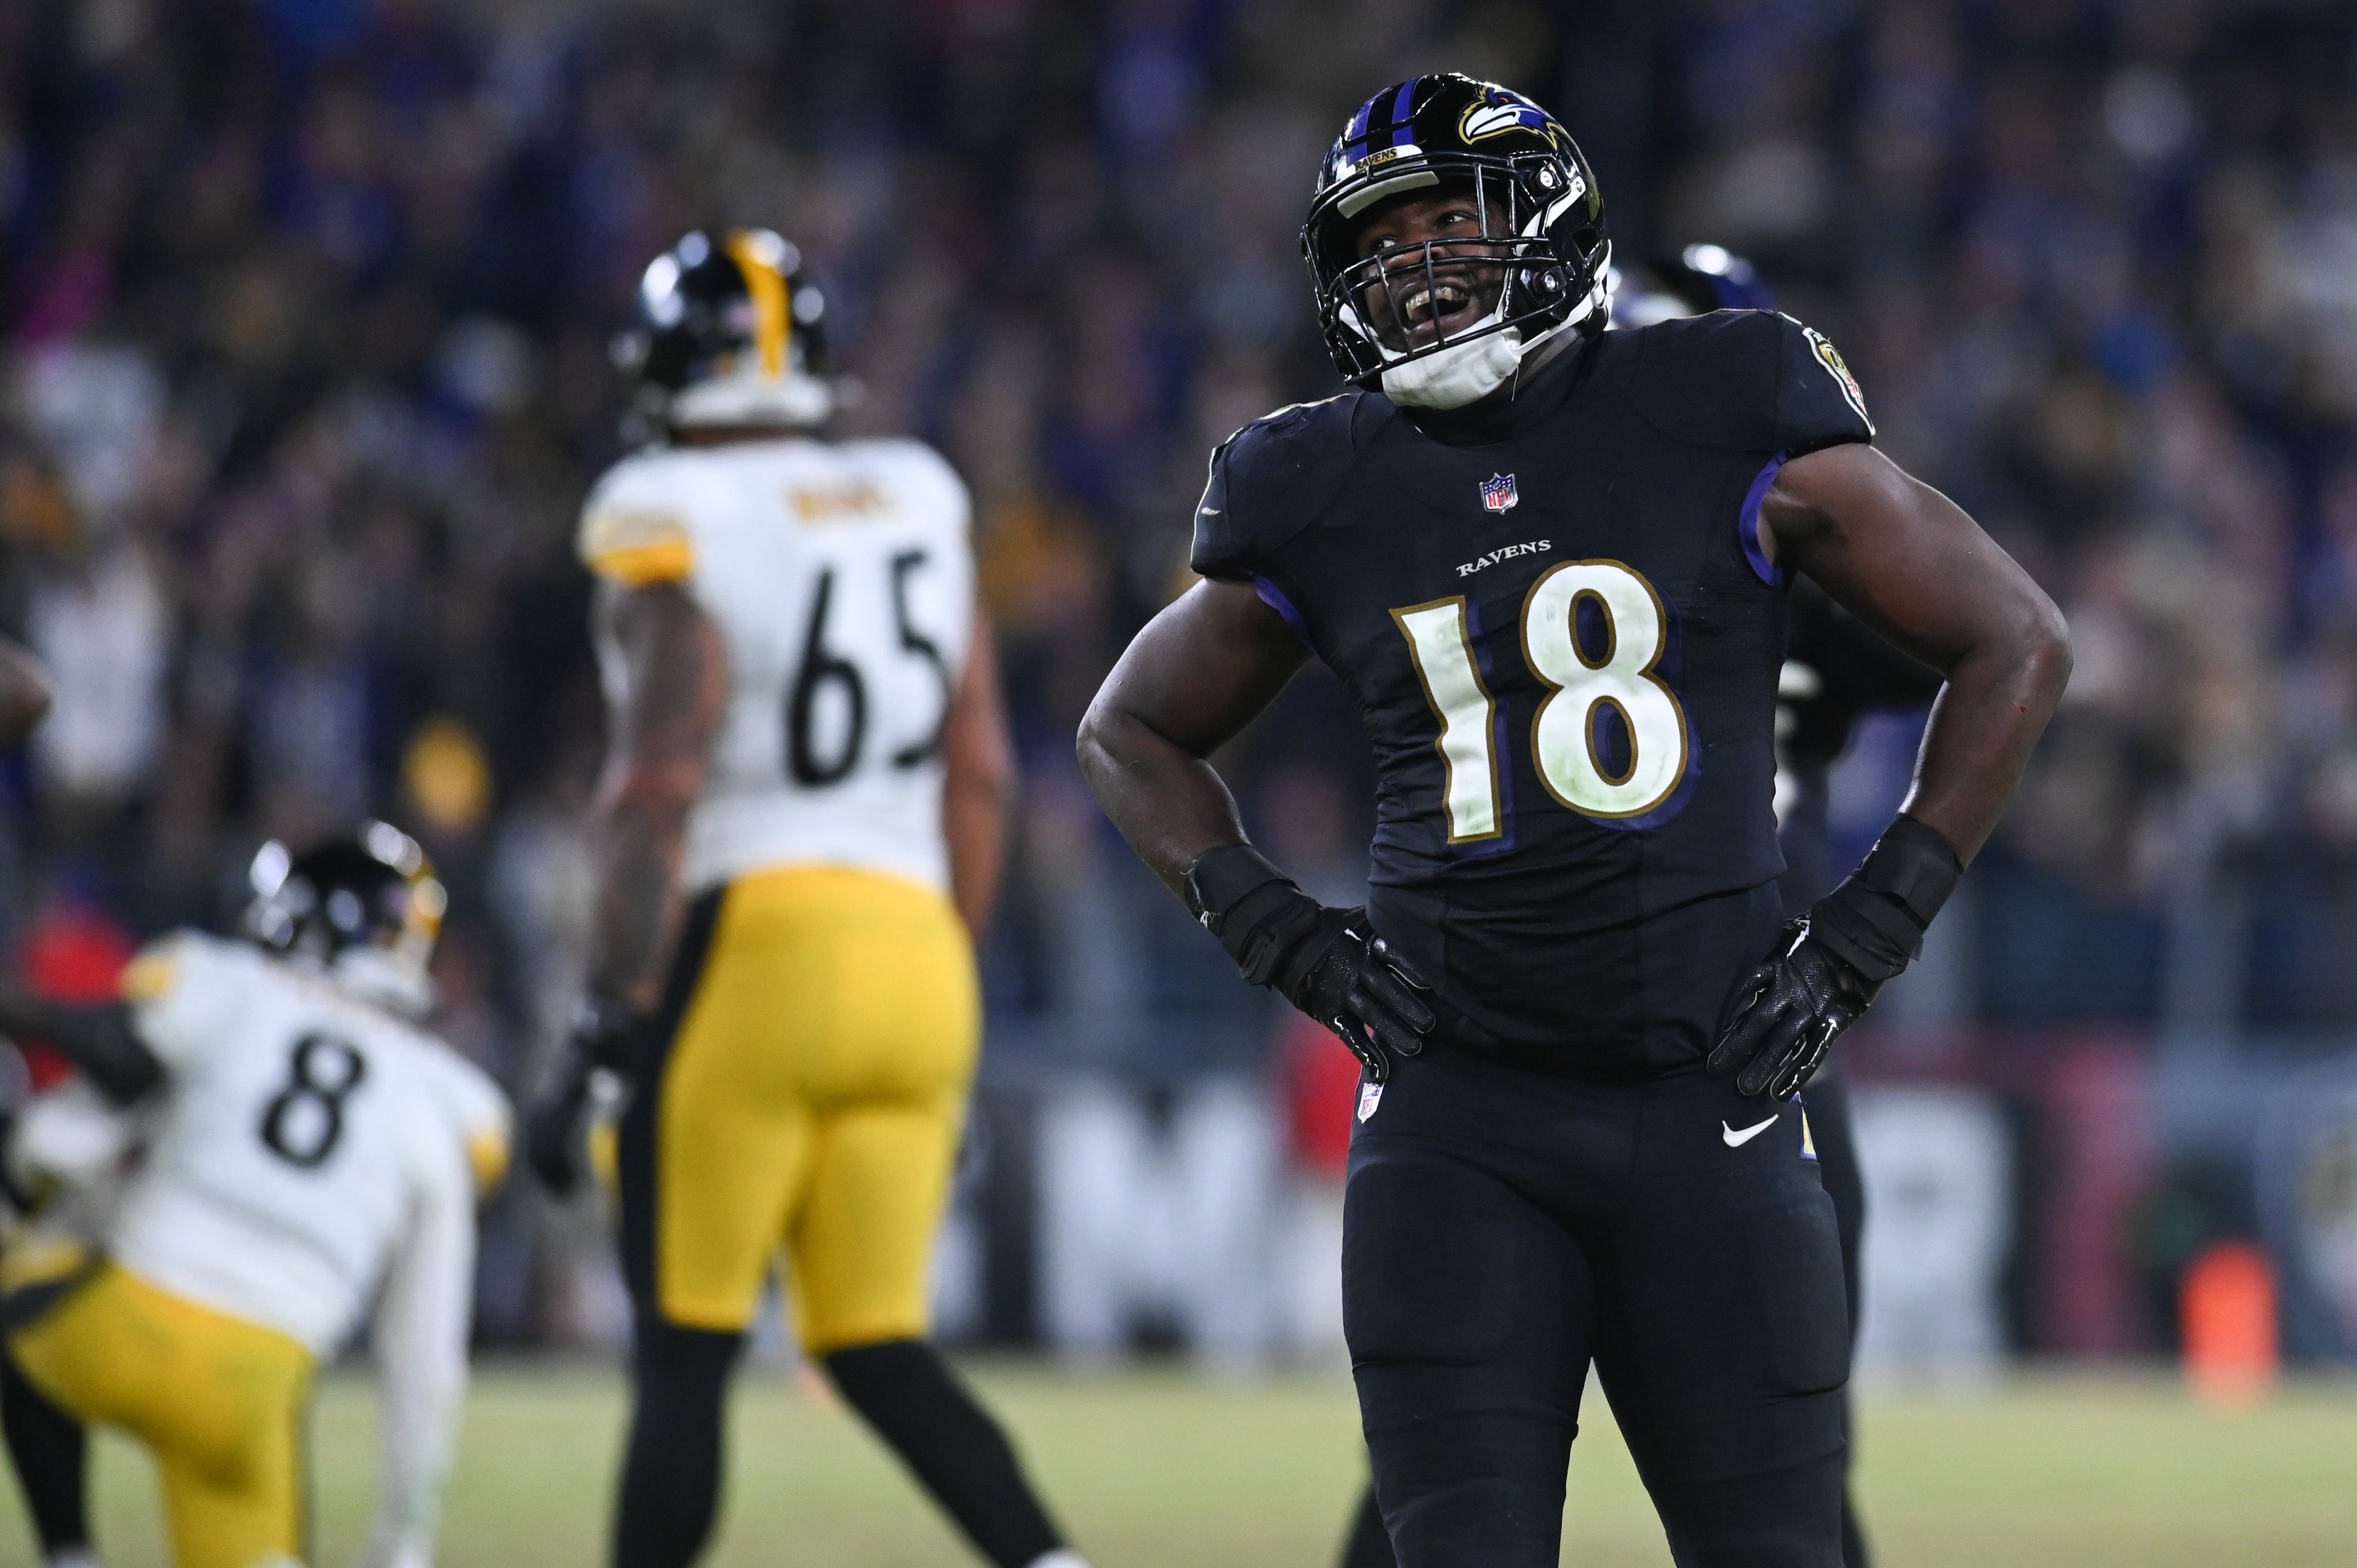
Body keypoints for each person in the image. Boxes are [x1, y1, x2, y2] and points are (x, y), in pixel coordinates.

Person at [1078, 74, 2070, 1568]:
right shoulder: (1316, 479)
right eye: (1376, 243)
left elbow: (2014, 641)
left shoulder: (1714, 399)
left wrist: (1867, 932)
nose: (1409, 267)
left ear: (1543, 222)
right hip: (1452, 1117)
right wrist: (1283, 937)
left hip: (1711, 1092)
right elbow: (1125, 730)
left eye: (1442, 225)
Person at [524, 229, 1086, 1568]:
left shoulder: (669, 508)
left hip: (753, 945)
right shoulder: (912, 493)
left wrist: (608, 1018)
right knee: (876, 1342)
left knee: (684, 1350)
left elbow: (656, 783)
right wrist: (936, 984)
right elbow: (984, 777)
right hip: (914, 953)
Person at [0, 823, 507, 1568]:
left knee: (16, 1304)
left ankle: (70, 1555)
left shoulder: (219, 979)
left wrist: (24, 1178)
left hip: (123, 1324)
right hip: (259, 1391)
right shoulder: (452, 1099)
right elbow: (423, 1352)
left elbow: (70, 1134)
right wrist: (405, 1541)